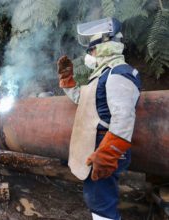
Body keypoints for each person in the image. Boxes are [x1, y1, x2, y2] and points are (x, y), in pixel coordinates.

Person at [57, 18, 141, 220]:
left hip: (105, 146)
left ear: (105, 47)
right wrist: (68, 80)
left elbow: (124, 117)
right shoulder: (103, 75)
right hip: (98, 145)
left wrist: (108, 153)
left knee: (102, 204)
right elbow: (82, 99)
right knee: (97, 199)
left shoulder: (120, 73)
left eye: (92, 50)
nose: (89, 55)